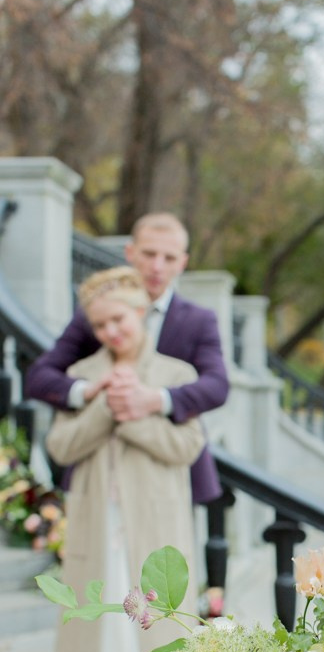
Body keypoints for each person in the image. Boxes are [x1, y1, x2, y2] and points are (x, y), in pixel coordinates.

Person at [22, 268, 263, 652]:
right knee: (101, 648)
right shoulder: (84, 382)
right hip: (98, 538)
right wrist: (103, 402)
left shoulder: (176, 377)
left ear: (139, 317)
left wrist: (139, 408)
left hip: (154, 540)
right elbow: (62, 444)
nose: (111, 331)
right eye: (100, 324)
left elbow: (185, 449)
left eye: (120, 320)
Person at [25, 212, 228, 505]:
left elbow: (217, 386)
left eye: (169, 258)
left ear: (182, 263)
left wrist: (154, 399)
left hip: (167, 470)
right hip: (99, 469)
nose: (157, 267)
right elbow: (39, 377)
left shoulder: (199, 320)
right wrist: (88, 392)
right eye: (149, 254)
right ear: (130, 253)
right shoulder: (96, 314)